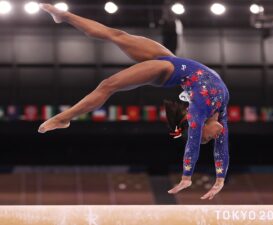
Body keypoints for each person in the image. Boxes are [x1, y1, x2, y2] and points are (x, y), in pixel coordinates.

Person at [37, 3, 229, 200]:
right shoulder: (220, 111)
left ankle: (64, 118)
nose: (211, 139)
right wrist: (217, 179)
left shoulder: (198, 111)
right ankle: (64, 16)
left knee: (108, 85)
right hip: (174, 61)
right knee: (116, 35)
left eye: (208, 139)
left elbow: (202, 144)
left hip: (168, 70)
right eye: (207, 138)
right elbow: (202, 143)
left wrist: (193, 177)